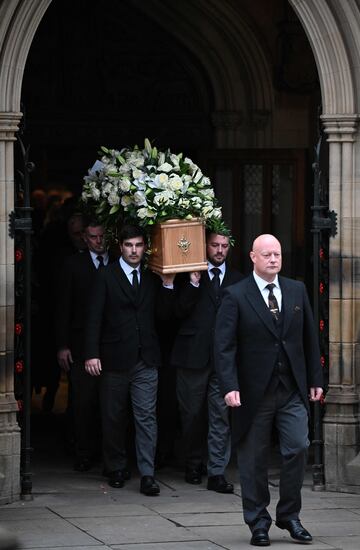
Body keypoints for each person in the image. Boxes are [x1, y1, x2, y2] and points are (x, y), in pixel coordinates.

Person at [215, 234, 323, 546]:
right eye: (267, 255)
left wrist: (316, 379)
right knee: (253, 460)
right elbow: (223, 346)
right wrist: (229, 386)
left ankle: (289, 515)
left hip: (290, 389)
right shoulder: (235, 295)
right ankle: (258, 522)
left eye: (277, 254)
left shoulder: (296, 290)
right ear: (252, 257)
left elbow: (308, 340)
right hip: (252, 392)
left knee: (298, 446)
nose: (273, 259)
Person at [84, 224, 174, 496]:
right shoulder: (105, 276)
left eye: (138, 245)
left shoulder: (150, 276)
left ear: (145, 246)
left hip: (146, 358)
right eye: (128, 245)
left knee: (147, 417)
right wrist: (91, 353)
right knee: (113, 416)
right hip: (113, 358)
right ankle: (116, 467)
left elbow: (164, 316)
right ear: (120, 247)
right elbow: (94, 317)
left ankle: (147, 474)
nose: (134, 251)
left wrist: (168, 286)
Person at [171, 231, 243, 492]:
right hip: (192, 356)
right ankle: (192, 463)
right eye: (215, 245)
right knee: (191, 415)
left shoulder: (237, 280)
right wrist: (192, 284)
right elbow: (175, 312)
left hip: (224, 361)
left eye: (225, 245)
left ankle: (216, 472)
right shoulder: (189, 274)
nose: (220, 250)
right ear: (205, 246)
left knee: (220, 416)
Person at [56, 218, 112, 471]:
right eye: (92, 237)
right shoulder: (73, 265)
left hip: (111, 343)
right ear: (84, 238)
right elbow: (63, 307)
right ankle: (83, 452)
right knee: (83, 402)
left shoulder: (117, 261)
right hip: (80, 343)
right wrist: (62, 345)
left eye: (101, 237)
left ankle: (104, 452)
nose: (98, 242)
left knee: (108, 402)